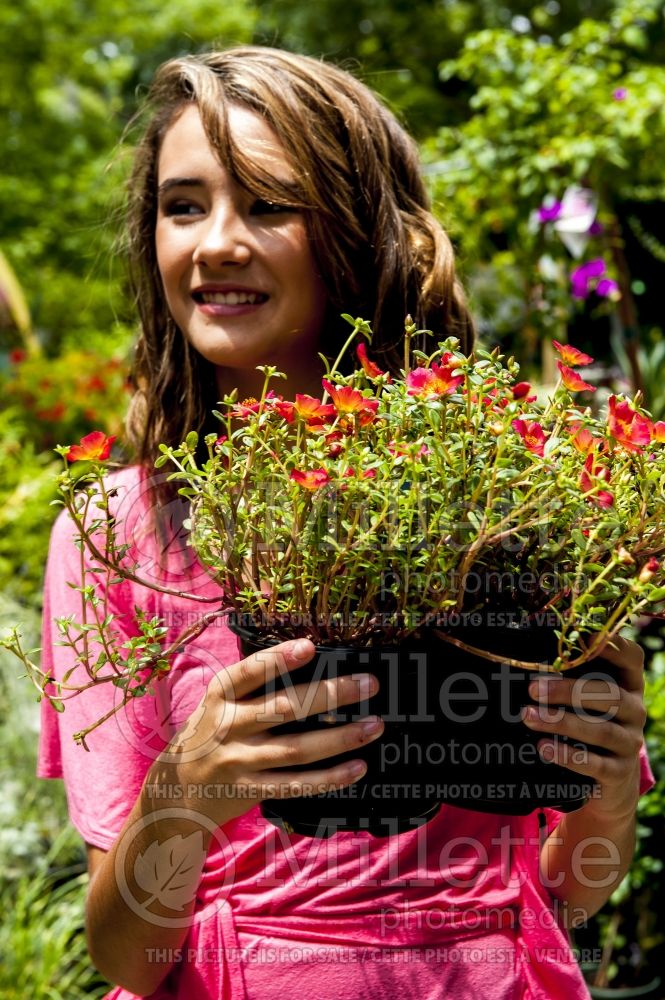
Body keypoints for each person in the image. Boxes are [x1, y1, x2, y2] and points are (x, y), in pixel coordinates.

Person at [37, 46, 653, 1000]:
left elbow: (565, 902)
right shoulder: (118, 534)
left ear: (358, 231)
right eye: (184, 205)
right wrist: (189, 790)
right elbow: (126, 957)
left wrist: (605, 790)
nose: (215, 244)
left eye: (270, 204)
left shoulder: (508, 497)